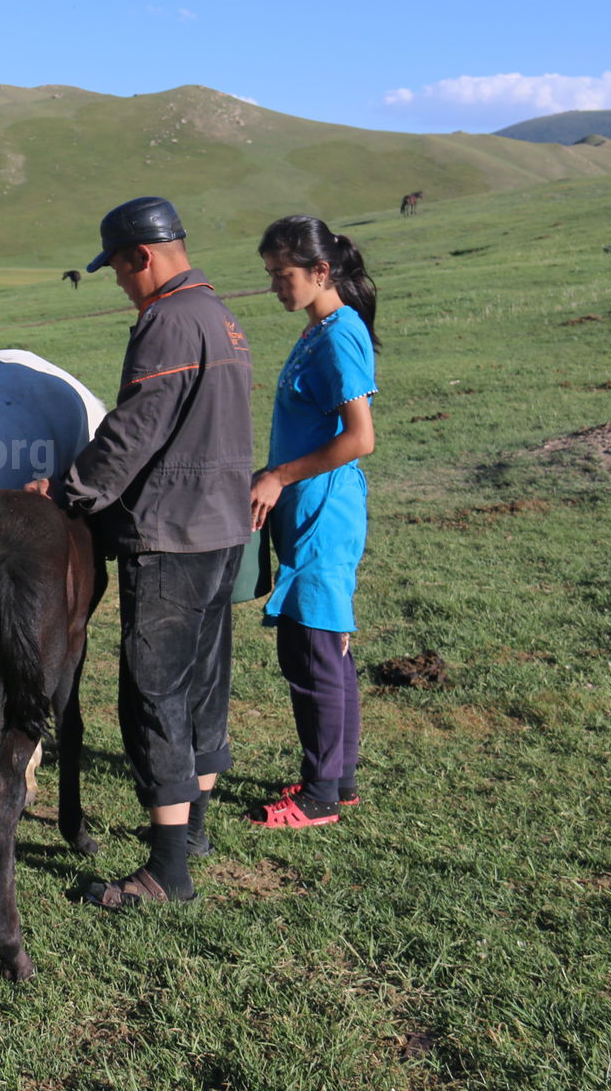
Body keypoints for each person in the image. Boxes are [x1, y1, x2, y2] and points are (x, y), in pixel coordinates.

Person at [27, 196, 253, 906]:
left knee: (153, 692)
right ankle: (194, 833)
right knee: (203, 681)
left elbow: (134, 431)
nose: (120, 284)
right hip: (223, 528)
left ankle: (166, 874)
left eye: (120, 270)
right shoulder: (221, 316)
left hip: (172, 534)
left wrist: (66, 494)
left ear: (142, 256)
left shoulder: (168, 321)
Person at [247, 215, 379, 829]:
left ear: (321, 272)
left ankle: (320, 795)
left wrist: (278, 475)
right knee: (325, 651)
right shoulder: (318, 329)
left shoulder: (338, 336)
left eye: (285, 274)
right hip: (309, 512)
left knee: (315, 653)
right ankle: (338, 780)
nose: (277, 285)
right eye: (272, 274)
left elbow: (360, 438)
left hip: (324, 514)